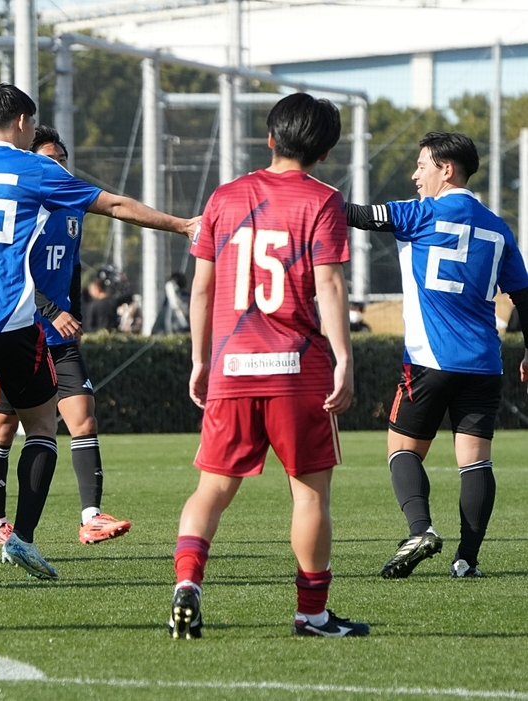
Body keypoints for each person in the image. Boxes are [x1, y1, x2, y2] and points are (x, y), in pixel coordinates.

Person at [0, 83, 198, 584]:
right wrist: (182, 225)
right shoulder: (37, 168)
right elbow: (114, 206)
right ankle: (21, 540)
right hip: (10, 323)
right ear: (24, 122)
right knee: (45, 428)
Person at [169, 92, 369, 639]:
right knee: (309, 495)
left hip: (234, 366)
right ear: (326, 151)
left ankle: (188, 583)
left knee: (212, 489)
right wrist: (344, 359)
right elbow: (328, 283)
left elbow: (203, 287)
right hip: (296, 372)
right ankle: (312, 615)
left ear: (269, 138)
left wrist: (200, 358)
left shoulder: (226, 196)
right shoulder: (324, 200)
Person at [346, 131, 528, 580]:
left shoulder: (419, 213)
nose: (415, 175)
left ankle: (420, 530)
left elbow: (356, 215)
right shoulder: (498, 228)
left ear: (447, 170)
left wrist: (302, 190)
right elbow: (525, 297)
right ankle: (467, 560)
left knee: (402, 449)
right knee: (476, 460)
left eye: (422, 165)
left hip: (429, 359)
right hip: (485, 363)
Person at [0, 125, 131, 548]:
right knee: (3, 430)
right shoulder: (24, 209)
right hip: (19, 333)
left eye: (63, 159)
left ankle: (91, 517)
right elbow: (12, 271)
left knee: (84, 418)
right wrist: (52, 311)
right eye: (51, 160)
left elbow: (74, 267)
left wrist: (76, 315)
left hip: (61, 340)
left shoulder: (72, 209)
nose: (59, 167)